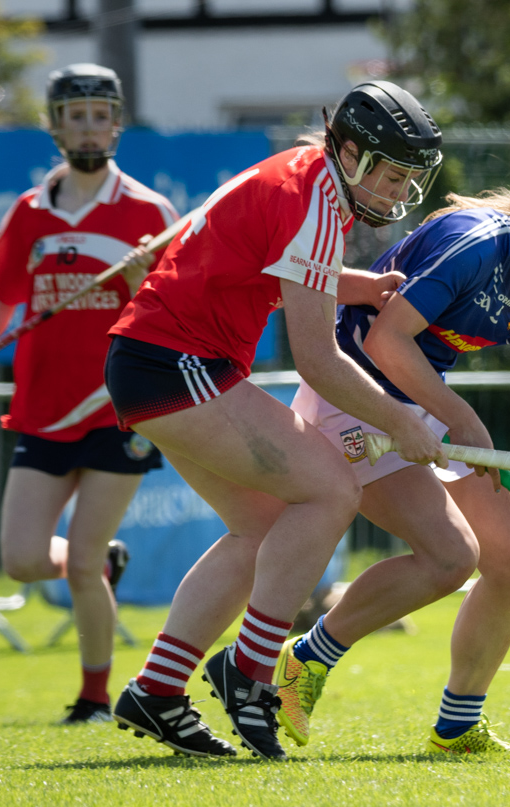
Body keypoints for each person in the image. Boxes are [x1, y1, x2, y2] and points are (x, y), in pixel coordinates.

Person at [105, 81, 447, 760]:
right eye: (389, 170)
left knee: (260, 527)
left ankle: (157, 690)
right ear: (347, 152)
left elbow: (281, 267)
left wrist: (361, 286)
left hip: (156, 360)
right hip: (176, 361)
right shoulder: (315, 200)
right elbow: (318, 362)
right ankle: (250, 670)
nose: (397, 188)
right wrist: (406, 419)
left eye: (410, 176)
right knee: (330, 488)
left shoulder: (309, 179)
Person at [272, 137, 510, 755]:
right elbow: (387, 341)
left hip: (418, 408)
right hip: (351, 397)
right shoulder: (473, 244)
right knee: (450, 557)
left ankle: (459, 724)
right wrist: (462, 419)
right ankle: (303, 662)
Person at [0, 64, 178, 723]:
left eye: (99, 113)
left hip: (116, 405)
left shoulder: (148, 212)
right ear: (54, 126)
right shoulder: (29, 212)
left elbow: (165, 316)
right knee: (22, 559)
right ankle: (104, 562)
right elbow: (1, 296)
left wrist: (138, 281)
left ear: (116, 122)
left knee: (77, 564)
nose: (87, 125)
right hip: (44, 407)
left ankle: (94, 696)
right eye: (73, 115)